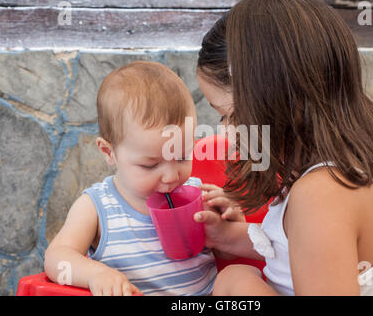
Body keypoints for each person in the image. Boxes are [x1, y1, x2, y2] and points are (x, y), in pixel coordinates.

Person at [195, 0, 373, 295]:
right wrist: (227, 237)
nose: (227, 131)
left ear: (280, 100)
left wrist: (239, 288)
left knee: (237, 279)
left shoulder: (323, 196)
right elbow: (305, 252)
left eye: (230, 116)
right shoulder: (337, 174)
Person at [44, 61, 239, 296]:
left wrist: (230, 227)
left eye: (182, 156)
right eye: (151, 164)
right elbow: (57, 258)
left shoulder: (199, 195)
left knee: (241, 277)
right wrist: (95, 274)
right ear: (109, 152)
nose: (171, 176)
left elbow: (227, 258)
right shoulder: (96, 207)